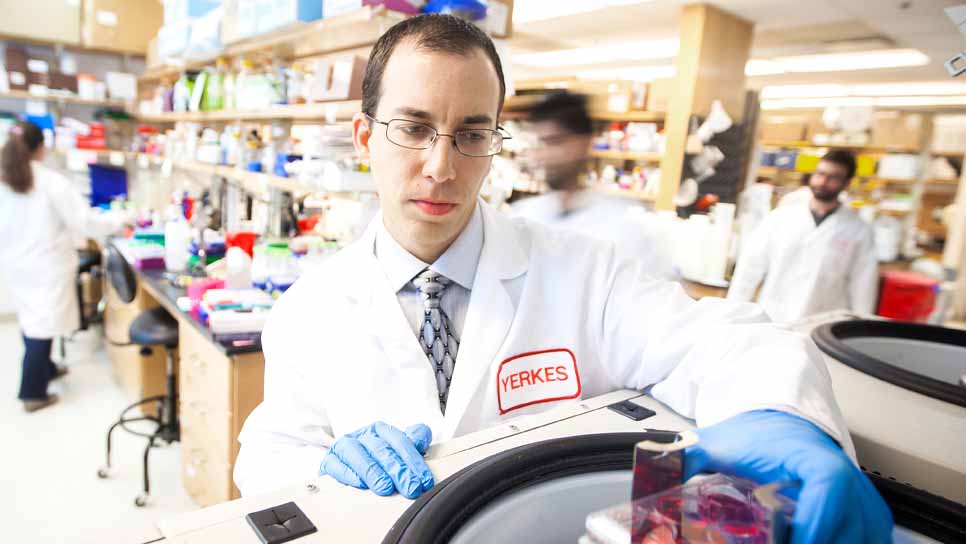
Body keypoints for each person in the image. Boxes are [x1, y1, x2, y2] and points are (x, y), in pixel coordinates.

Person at [234, 15, 891, 542]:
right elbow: (264, 456)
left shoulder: (586, 272)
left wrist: (784, 419)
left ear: (495, 141)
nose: (440, 166)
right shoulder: (309, 308)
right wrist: (319, 465)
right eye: (413, 128)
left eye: (471, 134)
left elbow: (725, 340)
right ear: (363, 136)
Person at [0, 121, 125, 412]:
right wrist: (119, 222)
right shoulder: (49, 182)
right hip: (45, 265)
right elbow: (84, 222)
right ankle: (32, 393)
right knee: (40, 328)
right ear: (40, 148)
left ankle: (47, 368)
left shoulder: (5, 178)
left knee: (32, 321)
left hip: (17, 265)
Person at [510, 91, 676, 280]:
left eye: (554, 142)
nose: (542, 155)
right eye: (538, 143)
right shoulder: (524, 216)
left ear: (585, 142)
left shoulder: (622, 230)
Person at [728, 150, 878, 323]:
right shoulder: (781, 218)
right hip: (773, 316)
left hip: (823, 322)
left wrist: (861, 325)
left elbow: (863, 286)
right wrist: (733, 310)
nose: (823, 182)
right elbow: (750, 267)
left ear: (847, 183)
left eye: (834, 177)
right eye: (820, 174)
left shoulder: (858, 230)